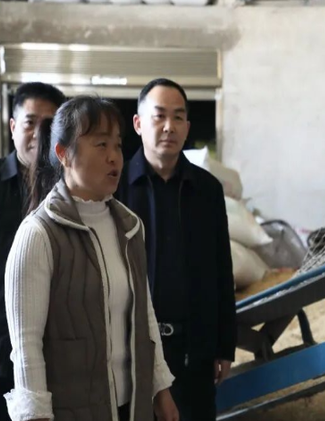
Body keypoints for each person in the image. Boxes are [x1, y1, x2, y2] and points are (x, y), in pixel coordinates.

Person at [4, 96, 179, 421]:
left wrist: (160, 388)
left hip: (132, 407)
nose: (114, 157)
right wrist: (36, 416)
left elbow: (145, 316)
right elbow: (26, 346)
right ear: (63, 153)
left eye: (118, 145)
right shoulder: (39, 234)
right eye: (101, 144)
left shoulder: (130, 227)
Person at [117, 78, 236, 420]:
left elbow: (221, 268)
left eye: (178, 117)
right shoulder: (117, 187)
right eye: (159, 116)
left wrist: (224, 345)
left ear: (187, 127)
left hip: (193, 352)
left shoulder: (207, 190)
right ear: (138, 123)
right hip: (130, 350)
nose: (169, 126)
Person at [0, 82, 64, 421]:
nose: (38, 133)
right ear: (13, 126)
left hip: (53, 358)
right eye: (30, 122)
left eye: (49, 125)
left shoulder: (71, 192)